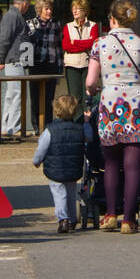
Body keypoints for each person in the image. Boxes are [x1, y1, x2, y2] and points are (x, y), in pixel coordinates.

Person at [86, 0, 140, 234]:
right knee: (134, 166)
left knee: (111, 163)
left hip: (111, 105)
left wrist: (94, 89)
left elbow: (90, 82)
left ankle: (110, 214)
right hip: (137, 106)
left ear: (112, 20)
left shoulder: (100, 44)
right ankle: (129, 219)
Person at [32, 94, 94, 234]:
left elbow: (42, 148)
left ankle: (63, 219)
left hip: (55, 169)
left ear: (56, 110)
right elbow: (89, 137)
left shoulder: (50, 131)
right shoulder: (79, 129)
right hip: (73, 167)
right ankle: (72, 219)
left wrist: (37, 161)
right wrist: (86, 122)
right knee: (71, 194)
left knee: (59, 194)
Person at [0, 0, 33, 142]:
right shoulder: (12, 16)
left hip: (13, 60)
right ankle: (13, 129)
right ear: (23, 3)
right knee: (17, 94)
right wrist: (1, 59)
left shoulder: (14, 16)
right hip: (14, 61)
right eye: (28, 4)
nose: (28, 7)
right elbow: (5, 39)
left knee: (11, 95)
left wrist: (2, 58)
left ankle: (6, 127)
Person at [27, 0, 63, 133]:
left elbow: (59, 46)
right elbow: (26, 46)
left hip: (51, 63)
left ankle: (48, 124)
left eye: (50, 9)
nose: (49, 11)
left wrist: (60, 65)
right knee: (35, 95)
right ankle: (36, 125)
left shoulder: (56, 24)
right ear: (39, 10)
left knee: (49, 96)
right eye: (46, 9)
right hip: (36, 63)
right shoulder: (30, 23)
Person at [62, 0, 99, 118]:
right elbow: (66, 46)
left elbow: (93, 43)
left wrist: (75, 42)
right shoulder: (68, 26)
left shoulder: (93, 25)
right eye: (73, 8)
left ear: (85, 11)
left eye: (77, 8)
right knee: (74, 97)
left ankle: (88, 121)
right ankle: (77, 121)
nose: (74, 11)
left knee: (87, 96)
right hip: (72, 65)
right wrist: (84, 44)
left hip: (88, 65)